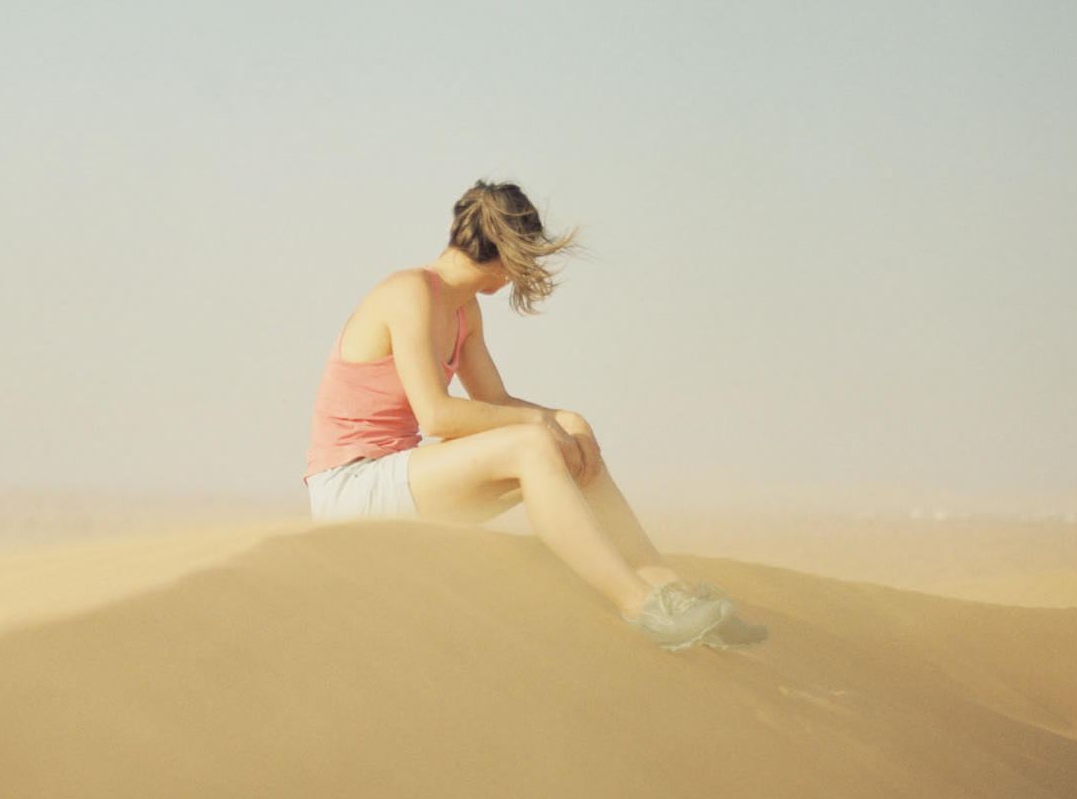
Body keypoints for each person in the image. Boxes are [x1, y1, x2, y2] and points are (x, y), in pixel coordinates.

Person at [304, 181, 766, 652]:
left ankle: (669, 589)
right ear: (510, 258)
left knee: (565, 437)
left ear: (455, 228)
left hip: (398, 482)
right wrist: (538, 426)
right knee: (532, 445)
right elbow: (437, 417)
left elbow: (496, 401)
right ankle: (639, 606)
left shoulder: (462, 311)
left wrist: (565, 420)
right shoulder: (410, 291)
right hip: (350, 487)